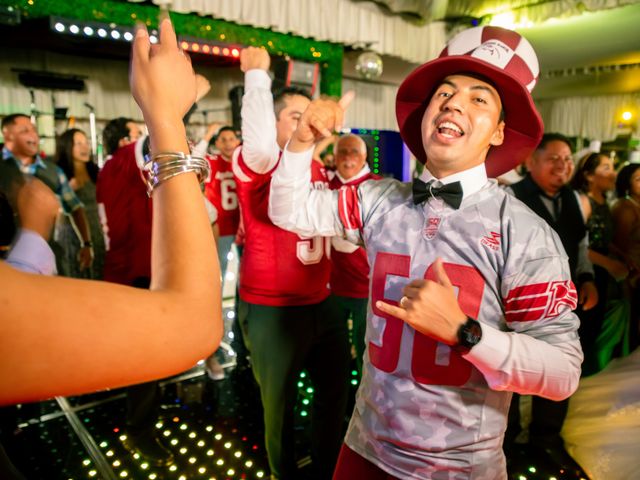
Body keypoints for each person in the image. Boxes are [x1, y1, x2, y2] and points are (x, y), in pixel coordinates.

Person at [268, 26, 583, 479]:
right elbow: (289, 209)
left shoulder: (525, 233)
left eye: (479, 98)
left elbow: (561, 372)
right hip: (362, 449)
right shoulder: (377, 199)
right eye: (444, 92)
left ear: (498, 133)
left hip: (457, 469)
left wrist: (465, 332)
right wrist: (302, 141)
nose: (453, 102)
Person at [0, 17, 221, 408]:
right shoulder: (122, 162)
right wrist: (165, 113)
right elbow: (193, 324)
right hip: (129, 268)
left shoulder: (80, 172)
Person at [233, 46, 350, 479]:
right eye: (294, 117)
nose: (306, 123)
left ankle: (326, 468)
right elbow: (260, 135)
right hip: (273, 307)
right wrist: (258, 78)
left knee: (335, 396)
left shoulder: (319, 169)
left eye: (311, 114)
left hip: (322, 301)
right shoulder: (259, 162)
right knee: (278, 407)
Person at [505, 133, 598, 473]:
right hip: (518, 305)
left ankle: (545, 438)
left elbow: (581, 246)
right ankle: (509, 441)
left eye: (568, 159)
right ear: (531, 162)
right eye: (554, 159)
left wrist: (586, 279)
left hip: (563, 304)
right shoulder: (510, 197)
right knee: (512, 372)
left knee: (558, 370)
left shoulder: (576, 198)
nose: (564, 166)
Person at [1, 114, 94, 274]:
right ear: (7, 134)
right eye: (24, 131)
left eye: (34, 130)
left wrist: (86, 244)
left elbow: (75, 208)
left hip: (45, 260)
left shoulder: (53, 172)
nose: (33, 135)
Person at [571, 152, 629, 373]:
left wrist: (620, 255)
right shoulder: (581, 199)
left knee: (597, 326)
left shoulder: (605, 201)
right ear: (588, 176)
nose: (613, 173)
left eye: (612, 167)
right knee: (584, 326)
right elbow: (580, 243)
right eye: (606, 168)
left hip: (603, 269)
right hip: (587, 269)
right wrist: (610, 263)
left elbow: (604, 238)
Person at [329, 134, 381, 374]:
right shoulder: (325, 185)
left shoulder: (378, 188)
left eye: (354, 153)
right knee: (334, 351)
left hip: (366, 288)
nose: (348, 158)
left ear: (364, 157)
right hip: (331, 288)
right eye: (343, 152)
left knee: (365, 351)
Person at [54, 128, 105, 279]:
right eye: (79, 143)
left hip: (95, 229)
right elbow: (55, 212)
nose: (85, 147)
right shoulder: (60, 173)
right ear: (67, 147)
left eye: (86, 142)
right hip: (72, 234)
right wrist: (69, 189)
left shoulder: (93, 170)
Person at [612, 163, 640, 350]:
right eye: (638, 179)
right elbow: (618, 247)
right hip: (633, 274)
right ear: (627, 184)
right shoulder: (626, 208)